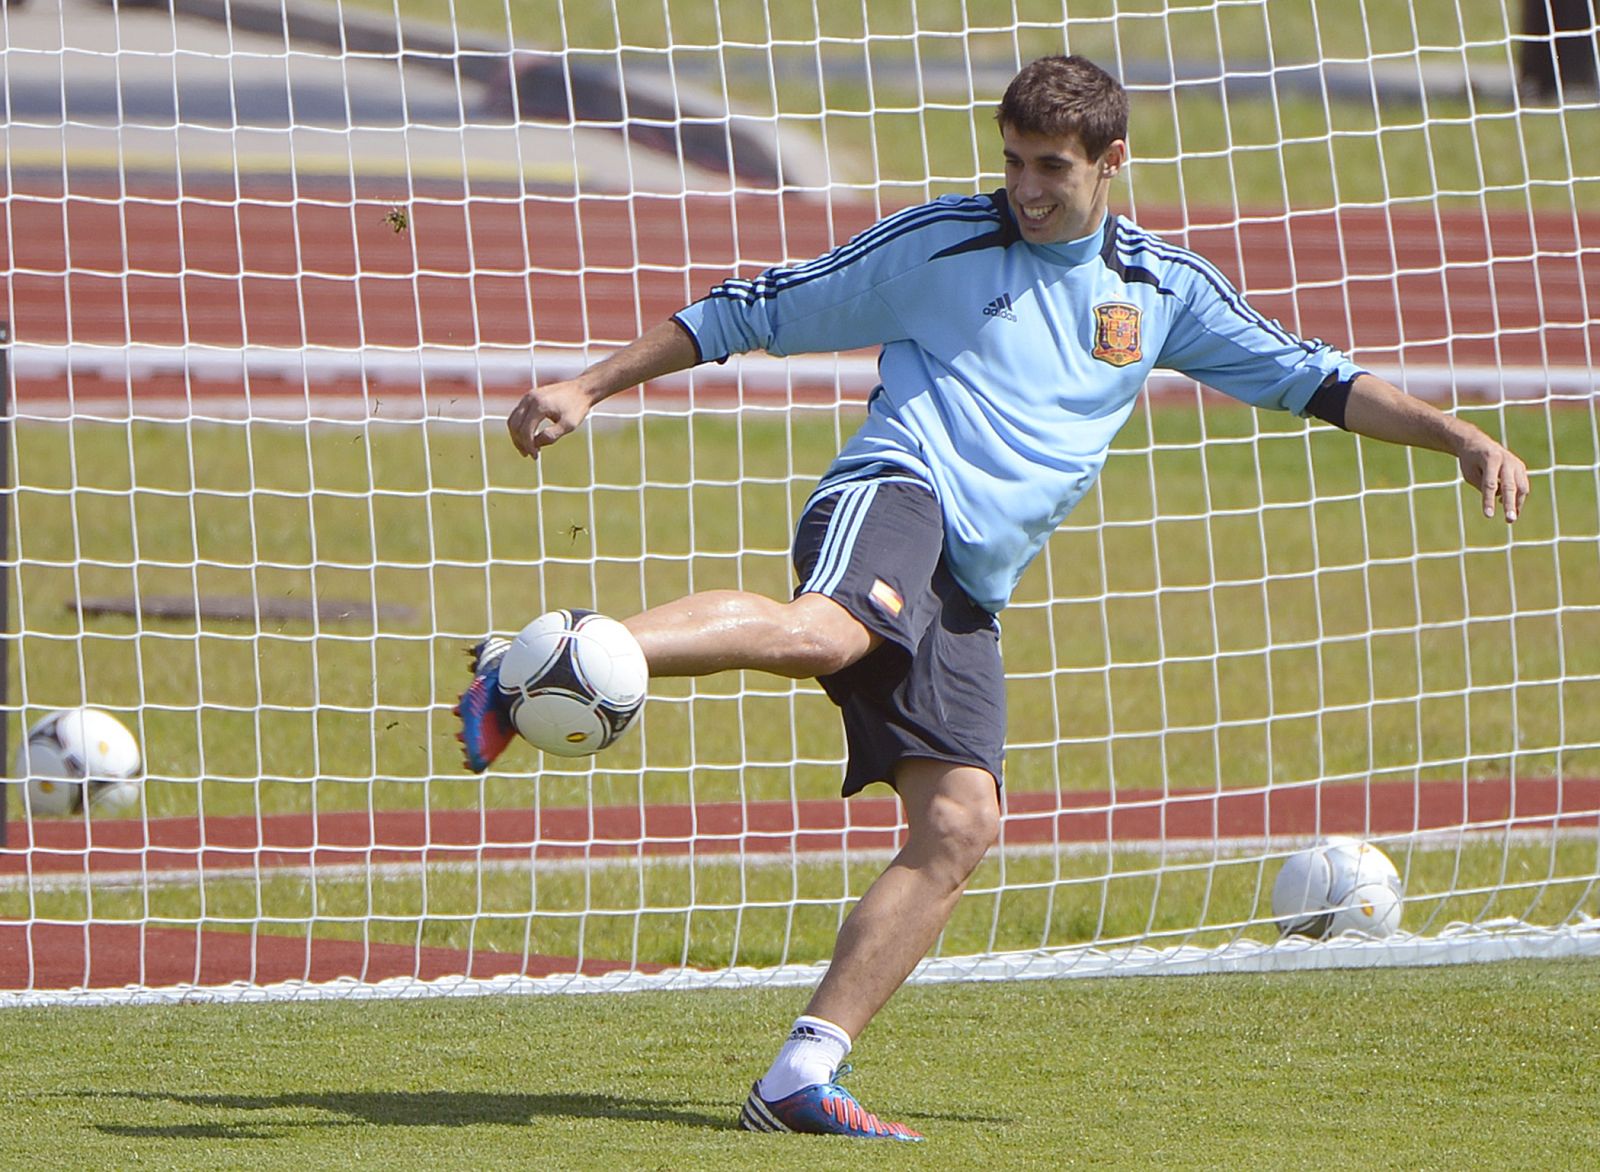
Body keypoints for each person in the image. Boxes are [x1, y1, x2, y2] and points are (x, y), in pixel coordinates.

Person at [456, 55, 1531, 1141]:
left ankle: (796, 1076)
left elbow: (1319, 379)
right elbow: (753, 308)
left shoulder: (1160, 290)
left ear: (1111, 162)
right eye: (1012, 160)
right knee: (825, 632)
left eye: (1049, 166)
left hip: (968, 585)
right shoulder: (942, 244)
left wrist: (1459, 435)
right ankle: (542, 660)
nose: (1023, 185)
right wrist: (587, 384)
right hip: (897, 493)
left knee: (961, 822)